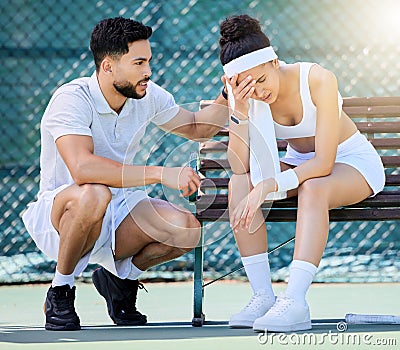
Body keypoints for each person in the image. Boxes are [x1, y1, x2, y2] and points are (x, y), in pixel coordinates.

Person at [22, 16, 229, 331]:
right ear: (108, 66)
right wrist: (160, 173)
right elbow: (83, 168)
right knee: (94, 191)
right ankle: (61, 289)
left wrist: (228, 93)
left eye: (148, 61)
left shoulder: (148, 95)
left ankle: (118, 279)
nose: (148, 71)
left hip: (119, 210)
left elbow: (198, 128)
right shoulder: (72, 98)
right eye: (139, 62)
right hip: (63, 213)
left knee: (187, 229)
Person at [219, 14, 385, 332]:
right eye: (250, 88)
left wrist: (268, 184)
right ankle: (263, 297)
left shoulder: (318, 79)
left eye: (263, 81)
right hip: (300, 165)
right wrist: (238, 111)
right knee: (238, 183)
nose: (259, 92)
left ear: (275, 62)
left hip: (350, 163)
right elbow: (239, 166)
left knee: (314, 188)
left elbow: (323, 164)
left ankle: (295, 302)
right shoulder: (245, 95)